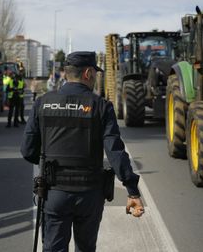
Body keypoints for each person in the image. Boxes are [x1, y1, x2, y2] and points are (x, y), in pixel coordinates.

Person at [21, 51, 144, 252]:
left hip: (54, 193)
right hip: (90, 194)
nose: (96, 77)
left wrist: (49, 161)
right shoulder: (101, 106)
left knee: (53, 248)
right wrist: (132, 190)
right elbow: (115, 151)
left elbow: (27, 151)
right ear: (88, 73)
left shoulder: (42, 103)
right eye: (95, 73)